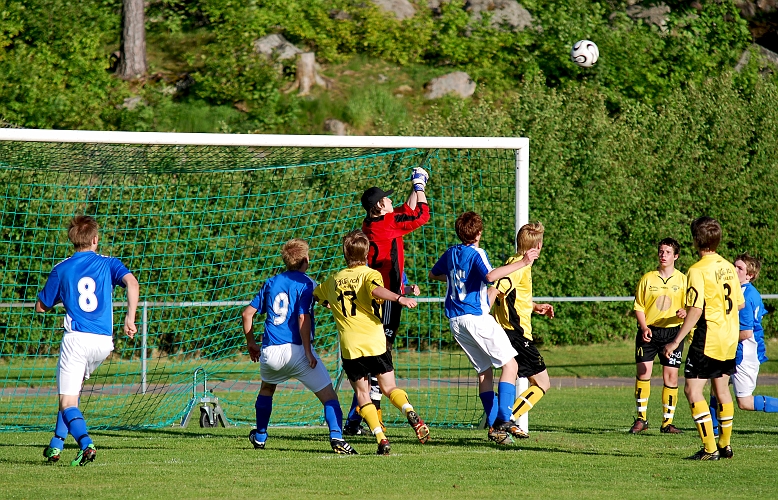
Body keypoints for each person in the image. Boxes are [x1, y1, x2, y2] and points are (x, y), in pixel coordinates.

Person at [314, 230, 430, 455]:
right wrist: (399, 297)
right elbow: (376, 290)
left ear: (345, 253)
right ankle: (408, 411)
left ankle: (381, 438)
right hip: (375, 341)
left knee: (362, 394)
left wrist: (330, 305)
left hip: (351, 346)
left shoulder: (333, 280)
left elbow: (317, 296)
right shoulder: (370, 274)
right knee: (389, 387)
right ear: (367, 253)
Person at [36, 215, 139, 466]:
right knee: (72, 393)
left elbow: (41, 306)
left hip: (77, 340)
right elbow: (132, 283)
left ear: (73, 240)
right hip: (103, 342)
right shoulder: (108, 263)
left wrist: (64, 295)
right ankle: (56, 445)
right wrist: (130, 318)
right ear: (95, 239)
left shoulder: (62, 268)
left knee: (67, 401)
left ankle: (85, 443)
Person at [429, 211, 539, 445]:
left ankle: (494, 427)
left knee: (484, 372)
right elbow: (490, 276)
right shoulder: (477, 252)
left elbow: (433, 274)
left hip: (456, 322)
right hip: (476, 317)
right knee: (511, 364)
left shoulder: (451, 253)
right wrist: (523, 262)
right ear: (479, 233)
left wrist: (457, 278)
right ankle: (504, 419)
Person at [241, 238, 357, 455]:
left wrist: (251, 344)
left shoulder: (271, 282)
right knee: (330, 397)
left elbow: (247, 314)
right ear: (307, 259)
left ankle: (260, 437)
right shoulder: (308, 284)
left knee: (267, 389)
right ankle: (337, 437)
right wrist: (306, 351)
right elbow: (304, 317)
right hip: (298, 351)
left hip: (271, 352)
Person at [343, 167, 430, 435]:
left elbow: (403, 210)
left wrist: (403, 285)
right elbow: (421, 215)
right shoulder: (388, 222)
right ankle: (369, 421)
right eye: (387, 199)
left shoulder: (372, 224)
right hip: (388, 300)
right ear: (380, 206)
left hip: (384, 294)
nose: (392, 202)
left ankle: (359, 421)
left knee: (375, 361)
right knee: (382, 360)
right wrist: (420, 186)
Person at [662, 216, 744, 460]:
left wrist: (676, 341)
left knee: (692, 390)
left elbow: (696, 309)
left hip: (708, 338)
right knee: (721, 389)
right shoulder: (729, 266)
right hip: (729, 337)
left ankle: (709, 449)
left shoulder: (697, 270)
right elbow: (738, 303)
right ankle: (726, 445)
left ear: (696, 241)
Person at [489, 222, 555, 438]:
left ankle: (501, 423)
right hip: (517, 335)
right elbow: (497, 288)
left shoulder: (514, 263)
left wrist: (535, 307)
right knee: (543, 382)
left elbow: (511, 296)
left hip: (509, 332)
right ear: (535, 247)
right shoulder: (519, 268)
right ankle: (505, 422)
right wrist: (484, 315)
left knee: (511, 376)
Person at [709, 253, 777, 433]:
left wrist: (720, 337)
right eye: (734, 266)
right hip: (733, 350)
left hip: (744, 353)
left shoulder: (746, 296)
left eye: (740, 268)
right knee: (716, 387)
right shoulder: (737, 291)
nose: (734, 270)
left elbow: (746, 332)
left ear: (750, 275)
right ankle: (713, 430)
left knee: (745, 402)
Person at [629, 238, 687, 435]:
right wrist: (644, 327)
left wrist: (684, 312)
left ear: (676, 256)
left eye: (668, 252)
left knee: (670, 376)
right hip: (649, 332)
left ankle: (667, 422)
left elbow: (691, 306)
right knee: (644, 372)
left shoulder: (683, 280)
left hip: (673, 333)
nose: (663, 255)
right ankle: (641, 419)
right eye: (661, 251)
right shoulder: (648, 278)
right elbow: (638, 306)